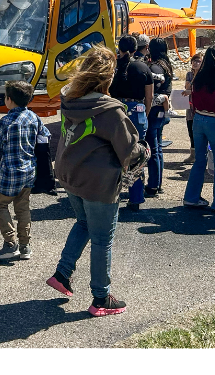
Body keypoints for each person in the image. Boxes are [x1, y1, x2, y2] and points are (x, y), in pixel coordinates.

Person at [47, 46, 147, 317]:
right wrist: (144, 149)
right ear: (108, 76)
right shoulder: (109, 110)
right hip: (98, 182)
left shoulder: (69, 98)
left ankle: (62, 273)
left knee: (83, 223)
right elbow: (129, 150)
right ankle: (101, 297)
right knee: (103, 239)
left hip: (71, 175)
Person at [0, 80, 51, 261]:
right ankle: (25, 246)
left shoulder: (6, 121)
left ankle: (10, 243)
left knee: (1, 205)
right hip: (29, 169)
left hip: (10, 171)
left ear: (9, 99)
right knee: (22, 207)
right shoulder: (33, 117)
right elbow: (44, 135)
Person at [182, 45, 215, 211]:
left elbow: (194, 102)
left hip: (198, 119)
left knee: (199, 160)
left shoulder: (197, 78)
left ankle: (191, 197)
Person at [109, 35, 153, 211]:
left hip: (116, 111)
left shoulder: (112, 68)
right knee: (136, 156)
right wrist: (145, 114)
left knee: (112, 154)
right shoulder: (143, 67)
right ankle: (136, 197)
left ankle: (111, 194)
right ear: (136, 49)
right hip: (137, 112)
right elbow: (149, 97)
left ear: (119, 48)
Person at [144, 38, 173, 197]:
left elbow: (152, 89)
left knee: (152, 149)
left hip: (153, 110)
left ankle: (153, 184)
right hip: (162, 110)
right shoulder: (166, 65)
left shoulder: (155, 67)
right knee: (158, 148)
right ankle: (158, 183)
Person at [182, 52, 202, 163]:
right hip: (190, 107)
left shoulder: (204, 76)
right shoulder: (189, 74)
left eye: (198, 61)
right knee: (191, 130)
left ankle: (201, 155)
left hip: (200, 107)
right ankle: (193, 155)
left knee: (201, 131)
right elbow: (187, 87)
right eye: (194, 61)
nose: (195, 63)